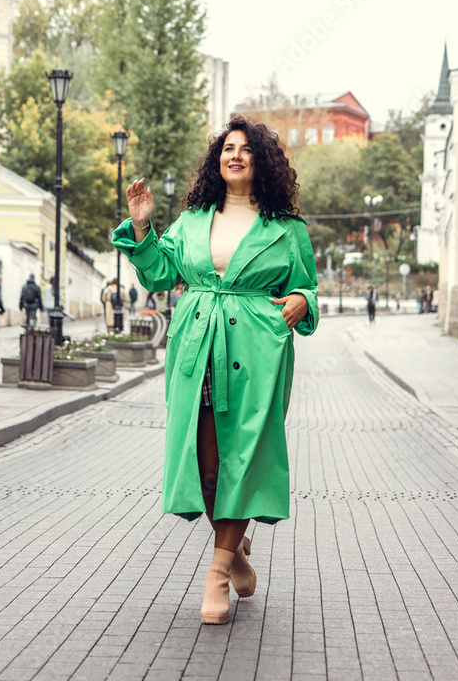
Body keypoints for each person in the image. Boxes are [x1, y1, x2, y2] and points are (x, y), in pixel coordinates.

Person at [112, 115, 318, 625]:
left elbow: (308, 287)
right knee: (206, 467)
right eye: (228, 147)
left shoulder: (287, 229)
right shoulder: (192, 220)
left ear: (261, 162)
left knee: (243, 457)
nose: (236, 155)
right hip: (197, 346)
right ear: (217, 160)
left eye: (247, 149)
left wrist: (299, 299)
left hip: (257, 350)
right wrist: (142, 226)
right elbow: (160, 272)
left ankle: (217, 574)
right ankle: (239, 555)